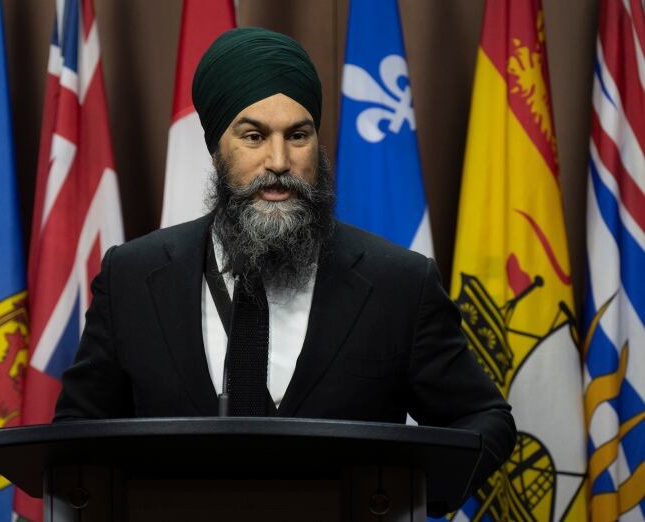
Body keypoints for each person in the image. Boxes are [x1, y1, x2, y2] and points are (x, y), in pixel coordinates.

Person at [54, 27, 515, 514]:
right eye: (253, 136)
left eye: (298, 135)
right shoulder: (133, 277)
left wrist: (412, 495)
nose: (279, 161)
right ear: (217, 148)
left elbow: (484, 417)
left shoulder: (398, 282)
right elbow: (74, 437)